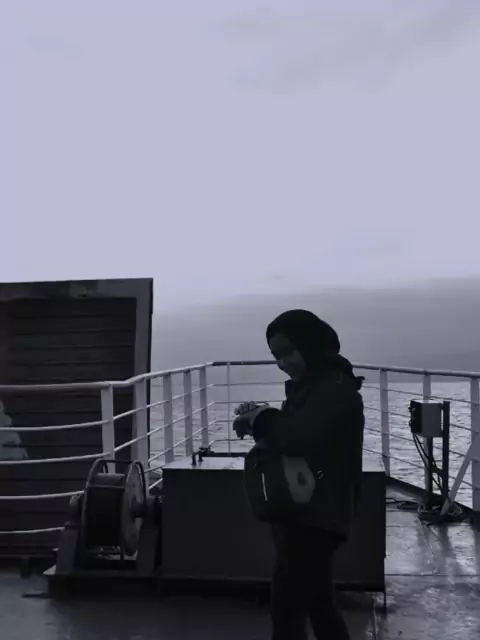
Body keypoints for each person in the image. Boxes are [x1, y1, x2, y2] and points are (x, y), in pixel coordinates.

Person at [233, 309, 365, 640]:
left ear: (311, 344)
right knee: (320, 605)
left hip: (318, 516)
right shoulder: (313, 386)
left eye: (288, 352)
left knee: (287, 610)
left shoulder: (335, 389)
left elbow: (298, 438)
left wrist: (261, 418)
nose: (282, 363)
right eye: (276, 356)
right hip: (306, 511)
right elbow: (296, 433)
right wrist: (259, 417)